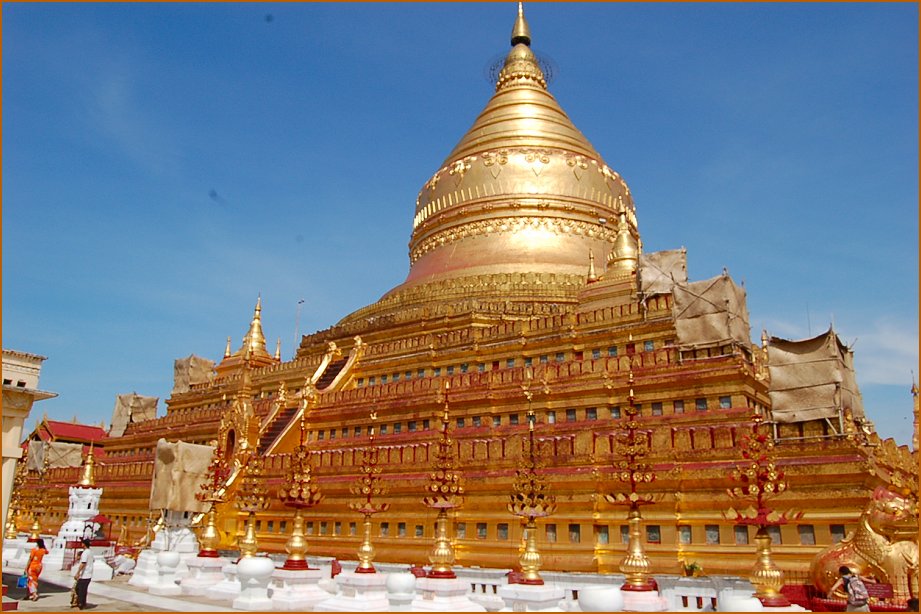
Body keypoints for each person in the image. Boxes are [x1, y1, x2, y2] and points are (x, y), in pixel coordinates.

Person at [72, 538, 95, 610]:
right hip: (89, 573)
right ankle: (82, 602)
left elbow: (83, 563)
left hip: (85, 574)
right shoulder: (90, 552)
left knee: (80, 589)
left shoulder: (85, 553)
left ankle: (81, 603)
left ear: (84, 544)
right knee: (82, 589)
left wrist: (78, 572)